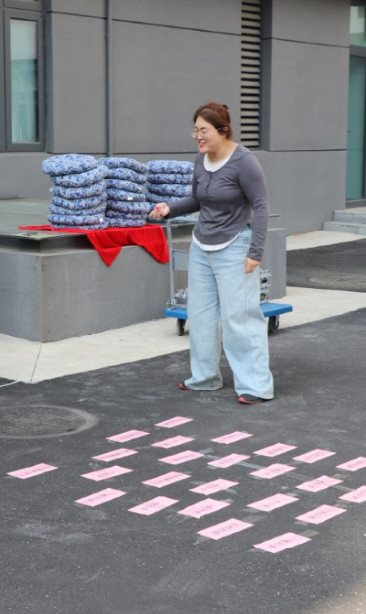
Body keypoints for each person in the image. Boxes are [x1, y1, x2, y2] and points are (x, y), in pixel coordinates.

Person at [148, 102, 273, 405]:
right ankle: (204, 377)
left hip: (235, 245)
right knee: (200, 316)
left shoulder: (244, 162)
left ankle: (256, 386)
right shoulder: (201, 160)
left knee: (239, 318)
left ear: (223, 131)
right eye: (195, 130)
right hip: (201, 246)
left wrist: (255, 251)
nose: (198, 137)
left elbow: (261, 206)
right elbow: (196, 199)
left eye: (204, 131)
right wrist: (169, 209)